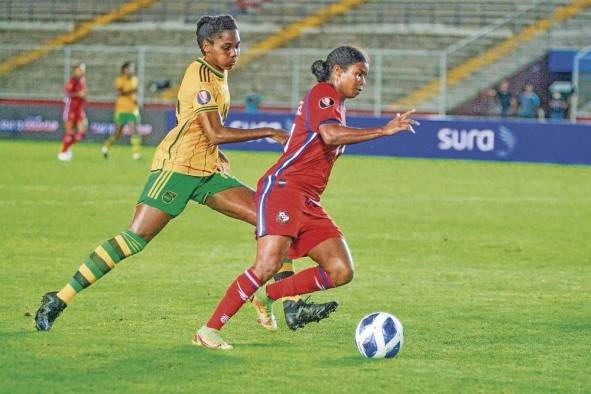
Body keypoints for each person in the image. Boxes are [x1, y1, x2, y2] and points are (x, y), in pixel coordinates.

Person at [35, 15, 337, 333]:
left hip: (205, 170)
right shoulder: (202, 77)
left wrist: (213, 151)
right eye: (226, 47)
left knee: (272, 218)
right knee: (134, 240)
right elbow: (215, 130)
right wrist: (269, 131)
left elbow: (191, 120)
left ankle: (290, 307)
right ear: (206, 46)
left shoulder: (218, 72)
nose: (234, 53)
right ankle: (59, 298)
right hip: (176, 169)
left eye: (237, 46)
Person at [193, 46, 419, 350]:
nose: (363, 82)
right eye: (359, 74)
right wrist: (384, 130)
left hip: (308, 200)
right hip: (284, 189)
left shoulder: (337, 103)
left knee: (340, 269)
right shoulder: (323, 94)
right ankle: (208, 331)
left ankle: (266, 297)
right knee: (266, 266)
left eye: (365, 76)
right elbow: (330, 135)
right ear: (338, 72)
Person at [102, 62, 142, 160]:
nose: (131, 71)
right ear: (124, 70)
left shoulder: (135, 79)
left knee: (135, 131)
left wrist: (135, 99)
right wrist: (131, 90)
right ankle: (105, 147)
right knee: (117, 133)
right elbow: (120, 91)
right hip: (121, 109)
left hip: (132, 109)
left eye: (132, 69)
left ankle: (136, 154)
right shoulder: (120, 80)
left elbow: (134, 91)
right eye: (129, 69)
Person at [58, 63, 87, 161]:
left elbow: (84, 93)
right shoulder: (73, 80)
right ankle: (63, 152)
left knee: (81, 133)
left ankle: (67, 147)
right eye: (79, 70)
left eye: (82, 70)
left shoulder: (82, 81)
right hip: (70, 107)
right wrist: (78, 94)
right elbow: (68, 92)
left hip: (79, 109)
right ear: (75, 70)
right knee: (69, 132)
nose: (81, 72)